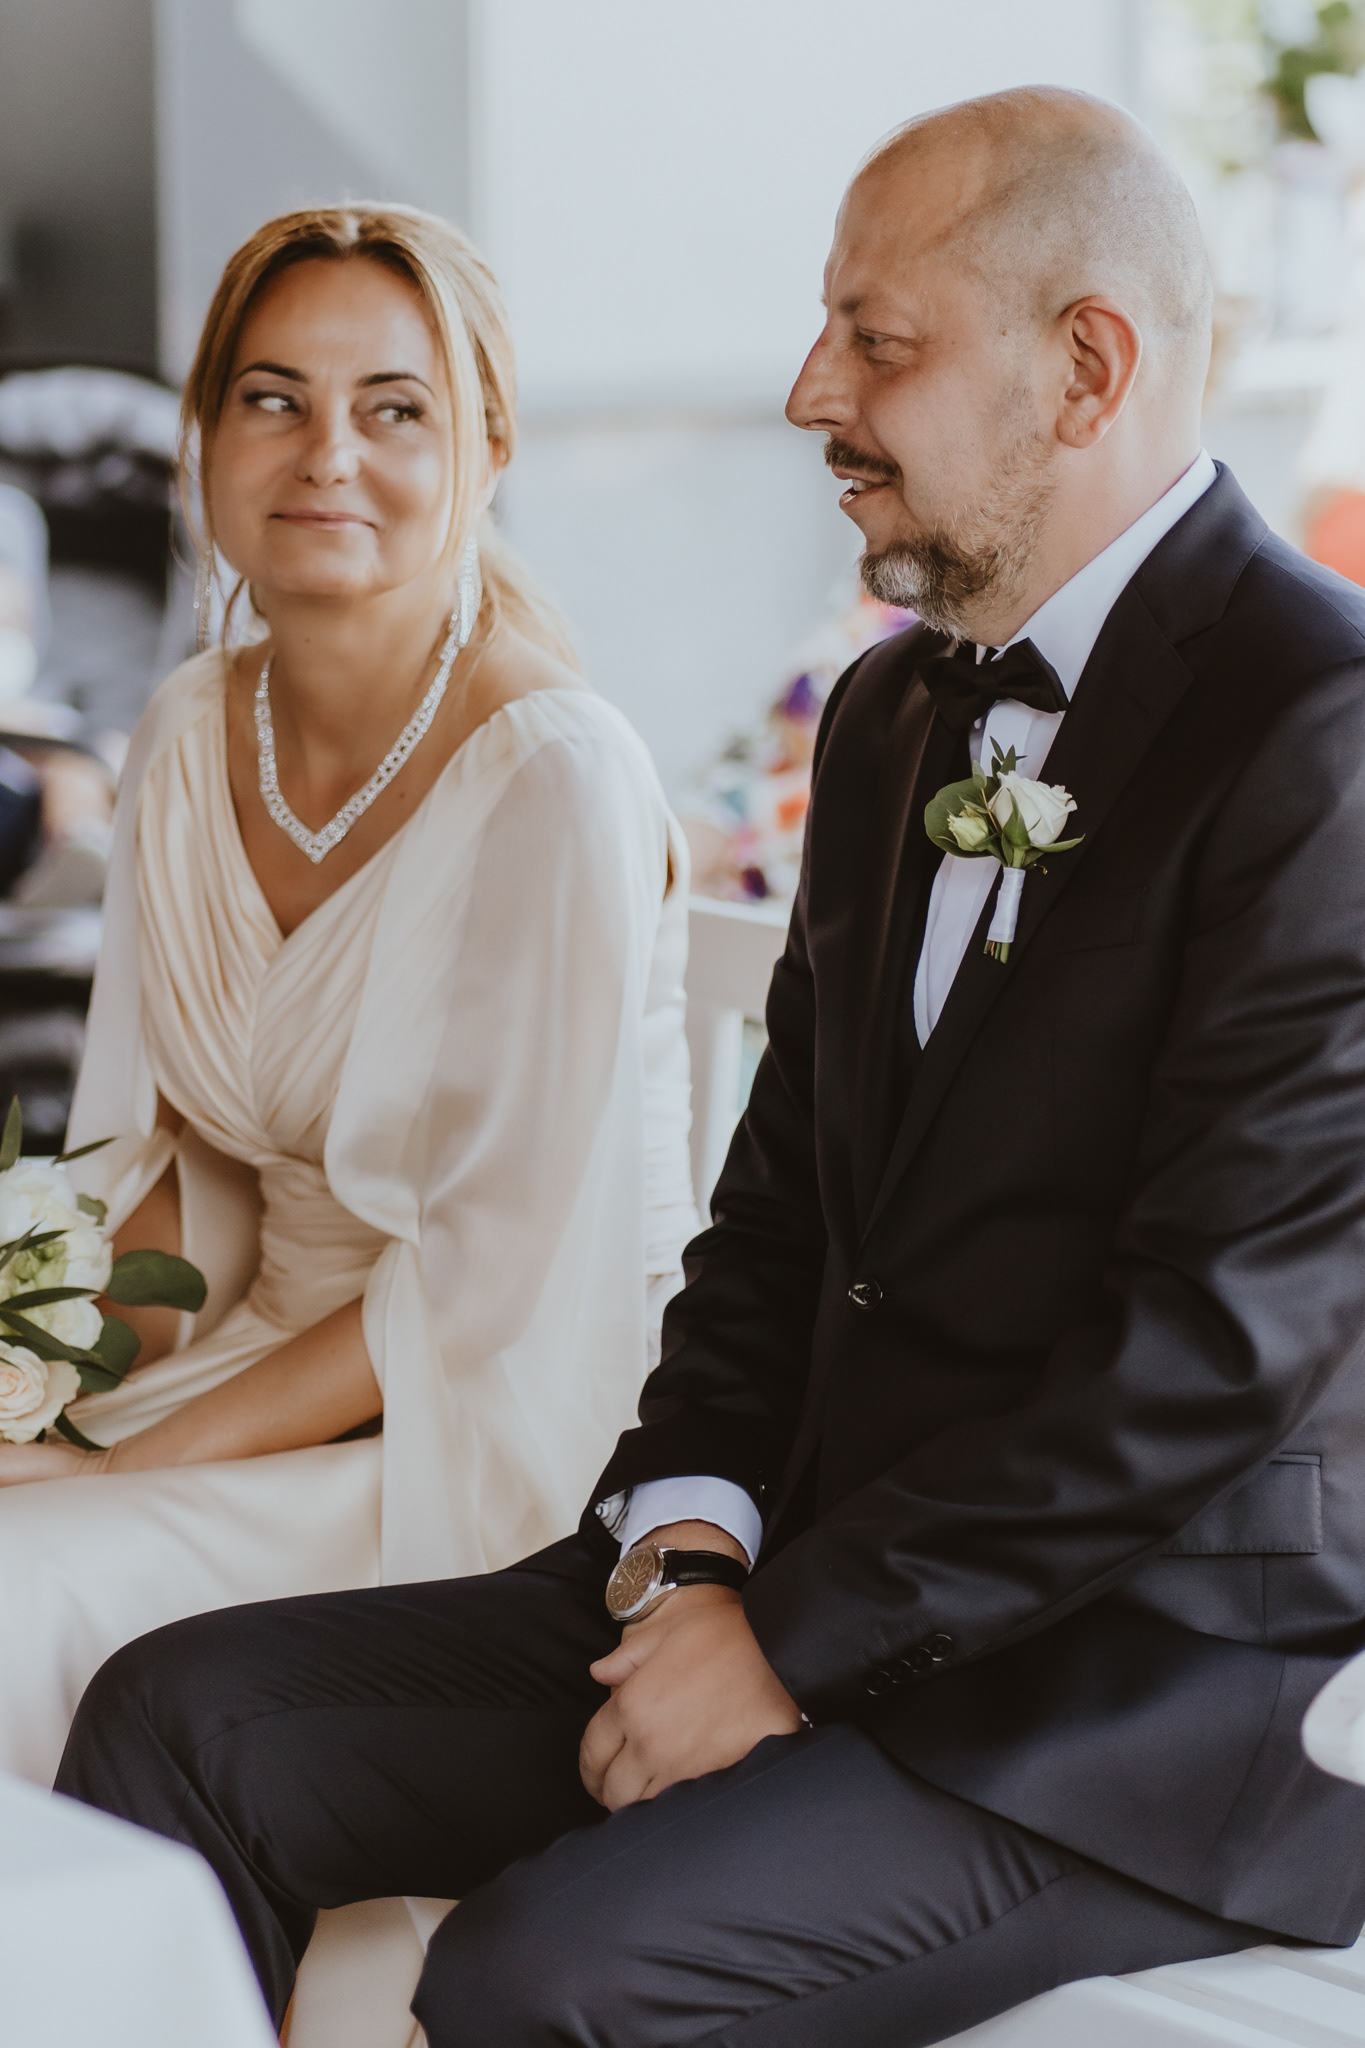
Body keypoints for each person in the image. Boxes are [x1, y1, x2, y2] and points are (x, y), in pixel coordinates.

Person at [59, 87, 1365, 2048]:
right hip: (788, 1573)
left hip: (1127, 1698)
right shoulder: (889, 712)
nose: (807, 391)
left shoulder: (1322, 732)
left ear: (1085, 368)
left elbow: (1206, 1352)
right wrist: (686, 1553)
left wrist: (788, 1647)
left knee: (536, 1979)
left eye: (875, 341)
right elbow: (773, 1230)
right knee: (182, 1717)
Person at [0, 202, 697, 1790]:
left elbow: (481, 1291)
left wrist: (116, 1471)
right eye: (273, 399)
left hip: (493, 1411)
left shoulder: (555, 774)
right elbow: (200, 1174)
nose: (326, 456)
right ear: (203, 436)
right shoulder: (188, 733)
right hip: (267, 1359)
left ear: (488, 449)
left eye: (393, 409)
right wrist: (50, 1375)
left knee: (17, 1580)